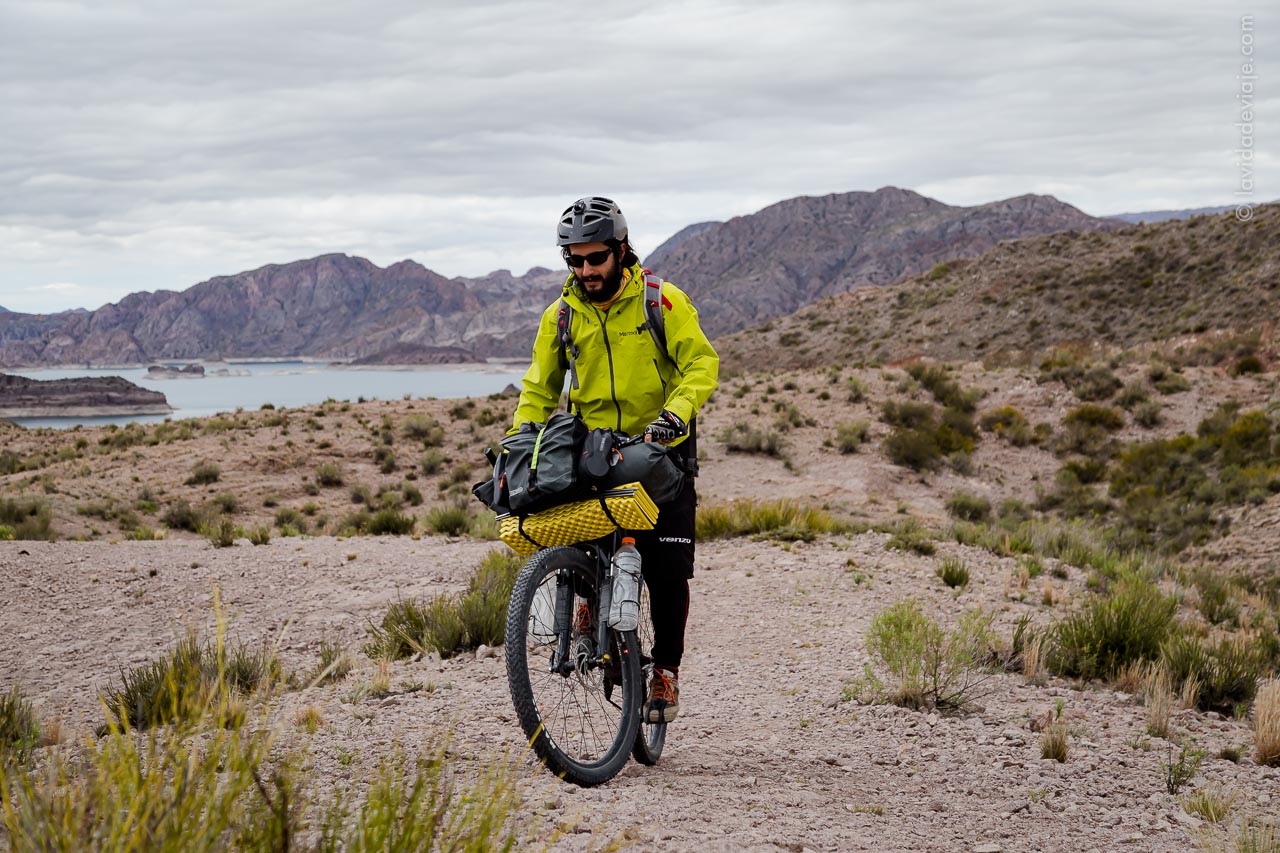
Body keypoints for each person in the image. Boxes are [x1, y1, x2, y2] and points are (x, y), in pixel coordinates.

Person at [509, 196, 719, 723]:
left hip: (660, 450)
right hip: (594, 452)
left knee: (668, 573)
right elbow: (538, 390)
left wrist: (674, 417)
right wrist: (520, 446)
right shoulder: (560, 316)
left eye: (595, 258)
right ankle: (588, 599)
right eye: (574, 260)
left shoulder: (661, 301)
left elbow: (701, 365)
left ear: (621, 250)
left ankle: (665, 672)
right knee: (575, 530)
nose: (585, 270)